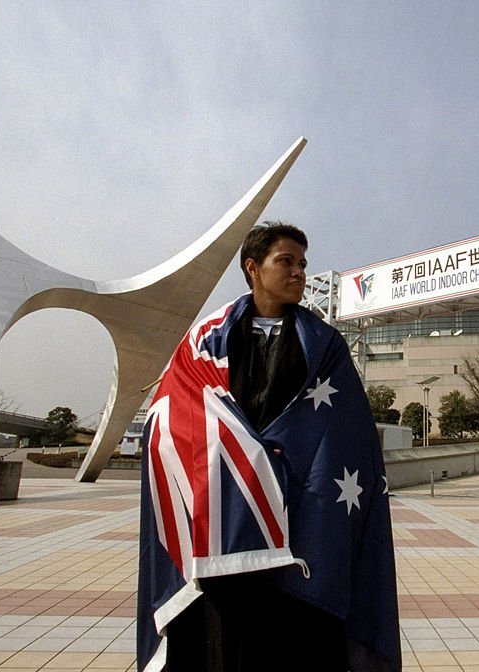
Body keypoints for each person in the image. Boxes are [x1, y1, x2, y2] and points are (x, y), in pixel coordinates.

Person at [137, 222, 401, 672]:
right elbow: (172, 417)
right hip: (224, 527)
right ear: (253, 268)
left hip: (304, 522)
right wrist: (245, 467)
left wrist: (278, 470)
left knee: (296, 642)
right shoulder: (206, 341)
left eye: (302, 264)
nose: (299, 273)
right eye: (286, 262)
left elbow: (342, 432)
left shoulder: (325, 345)